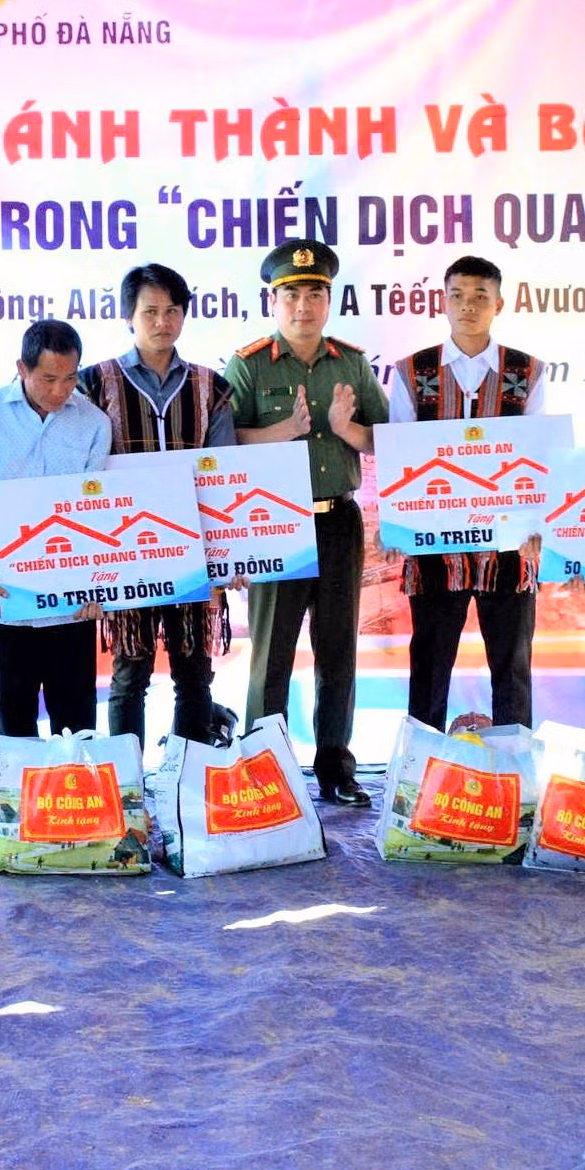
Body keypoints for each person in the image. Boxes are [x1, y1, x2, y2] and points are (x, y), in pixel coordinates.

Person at [226, 239, 390, 805]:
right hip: (277, 522)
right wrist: (283, 432)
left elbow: (387, 441)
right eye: (292, 294)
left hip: (338, 519)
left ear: (329, 300)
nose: (304, 306)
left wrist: (347, 430)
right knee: (271, 654)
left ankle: (335, 767)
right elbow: (225, 444)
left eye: (315, 294)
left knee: (338, 650)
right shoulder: (249, 365)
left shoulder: (351, 363)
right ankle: (262, 770)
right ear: (272, 301)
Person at [385, 255, 550, 731]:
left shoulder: (528, 371)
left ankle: (515, 766)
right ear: (443, 302)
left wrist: (538, 526)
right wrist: (398, 525)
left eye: (480, 296)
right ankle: (420, 763)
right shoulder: (412, 371)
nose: (468, 306)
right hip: (435, 545)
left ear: (499, 303)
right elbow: (401, 453)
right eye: (457, 295)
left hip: (510, 545)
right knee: (429, 664)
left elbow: (539, 454)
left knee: (512, 667)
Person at [76, 263, 236, 747]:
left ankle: (189, 776)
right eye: (150, 311)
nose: (162, 321)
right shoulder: (93, 384)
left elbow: (226, 474)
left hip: (195, 550)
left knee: (195, 674)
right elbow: (81, 476)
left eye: (172, 310)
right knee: (130, 676)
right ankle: (128, 780)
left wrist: (229, 558)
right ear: (128, 316)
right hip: (126, 550)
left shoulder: (211, 386)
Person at [0, 319, 114, 741]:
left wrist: (96, 584)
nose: (61, 391)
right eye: (48, 379)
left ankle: (75, 787)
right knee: (16, 724)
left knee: (78, 726)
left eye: (70, 378)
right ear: (21, 369)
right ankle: (20, 788)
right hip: (5, 593)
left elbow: (96, 513)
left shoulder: (94, 423)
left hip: (72, 600)